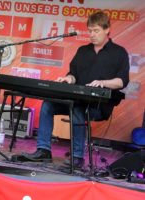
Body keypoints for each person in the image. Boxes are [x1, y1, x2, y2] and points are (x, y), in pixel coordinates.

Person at [23, 11, 130, 168]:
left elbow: (122, 81)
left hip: (99, 106)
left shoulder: (119, 53)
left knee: (78, 109)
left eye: (96, 30)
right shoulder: (83, 51)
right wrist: (68, 79)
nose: (92, 34)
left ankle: (77, 157)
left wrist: (103, 82)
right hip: (76, 100)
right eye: (90, 30)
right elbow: (73, 75)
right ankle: (43, 151)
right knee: (48, 104)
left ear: (107, 29)